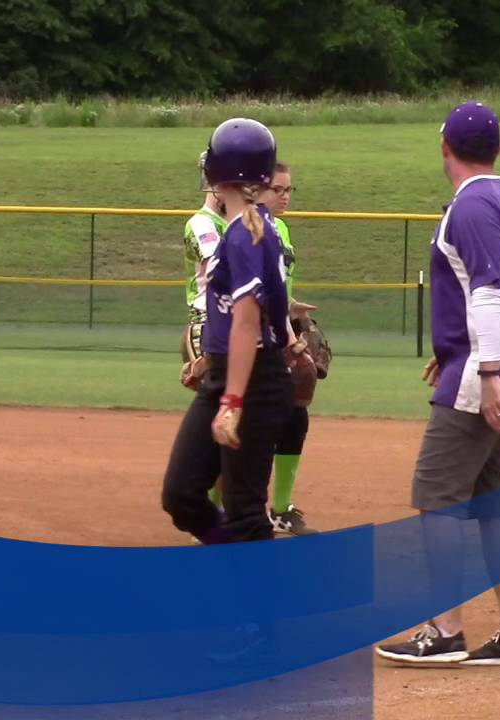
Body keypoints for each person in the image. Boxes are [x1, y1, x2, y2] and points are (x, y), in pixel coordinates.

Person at [376, 101, 500, 666]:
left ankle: (444, 629)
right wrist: (455, 349)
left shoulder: (469, 206)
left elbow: (491, 293)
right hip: (497, 367)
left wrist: (485, 370)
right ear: (496, 149)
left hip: (481, 379)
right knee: (495, 506)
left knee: (438, 500)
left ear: (445, 146)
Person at [159, 117, 298, 543]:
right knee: (182, 494)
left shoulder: (246, 234)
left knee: (245, 513)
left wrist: (233, 400)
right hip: (225, 372)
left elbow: (246, 320)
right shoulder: (247, 229)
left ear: (218, 173)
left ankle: (264, 605)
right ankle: (236, 575)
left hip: (251, 384)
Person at [259, 162, 320, 536]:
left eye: (288, 190)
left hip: (281, 332)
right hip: (256, 339)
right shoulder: (249, 230)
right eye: (277, 189)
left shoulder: (281, 228)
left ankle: (281, 508)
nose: (284, 197)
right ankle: (215, 510)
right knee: (252, 426)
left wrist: (291, 308)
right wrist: (287, 333)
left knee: (295, 418)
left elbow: (277, 289)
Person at [178, 152, 230, 511]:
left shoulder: (244, 223)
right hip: (207, 327)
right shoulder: (202, 224)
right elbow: (222, 271)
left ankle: (226, 504)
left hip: (237, 325)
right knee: (220, 422)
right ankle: (209, 507)